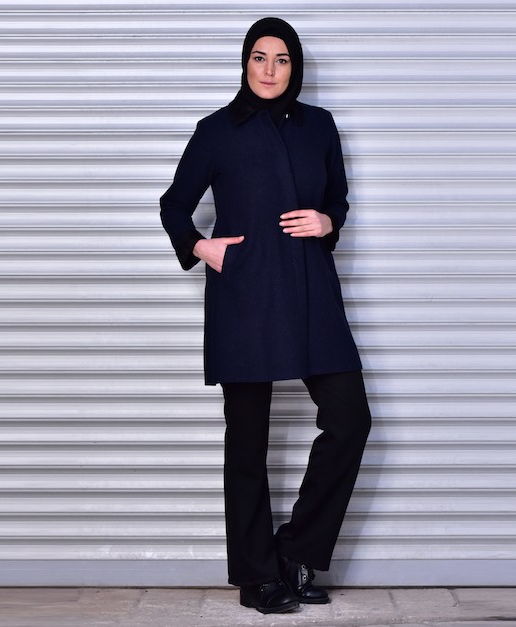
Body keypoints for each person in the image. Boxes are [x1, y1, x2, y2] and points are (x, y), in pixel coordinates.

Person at [159, 17, 373, 615]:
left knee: (351, 419)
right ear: (245, 63)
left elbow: (337, 200)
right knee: (248, 442)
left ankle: (294, 552)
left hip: (310, 289)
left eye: (282, 59)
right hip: (247, 294)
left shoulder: (319, 126)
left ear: (294, 68)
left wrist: (329, 221)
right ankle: (256, 576)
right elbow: (173, 206)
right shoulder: (216, 131)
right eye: (260, 57)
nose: (270, 69)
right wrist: (202, 248)